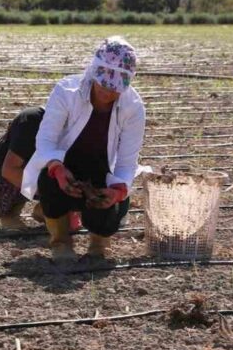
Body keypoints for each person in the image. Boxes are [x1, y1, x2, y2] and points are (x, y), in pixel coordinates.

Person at [21, 36, 146, 261]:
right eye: (103, 85)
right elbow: (46, 141)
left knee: (111, 206)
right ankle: (60, 241)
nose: (108, 93)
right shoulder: (66, 92)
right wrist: (57, 169)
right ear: (93, 73)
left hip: (102, 172)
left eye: (115, 88)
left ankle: (99, 244)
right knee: (48, 181)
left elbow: (127, 162)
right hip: (67, 167)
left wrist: (117, 191)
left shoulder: (133, 108)